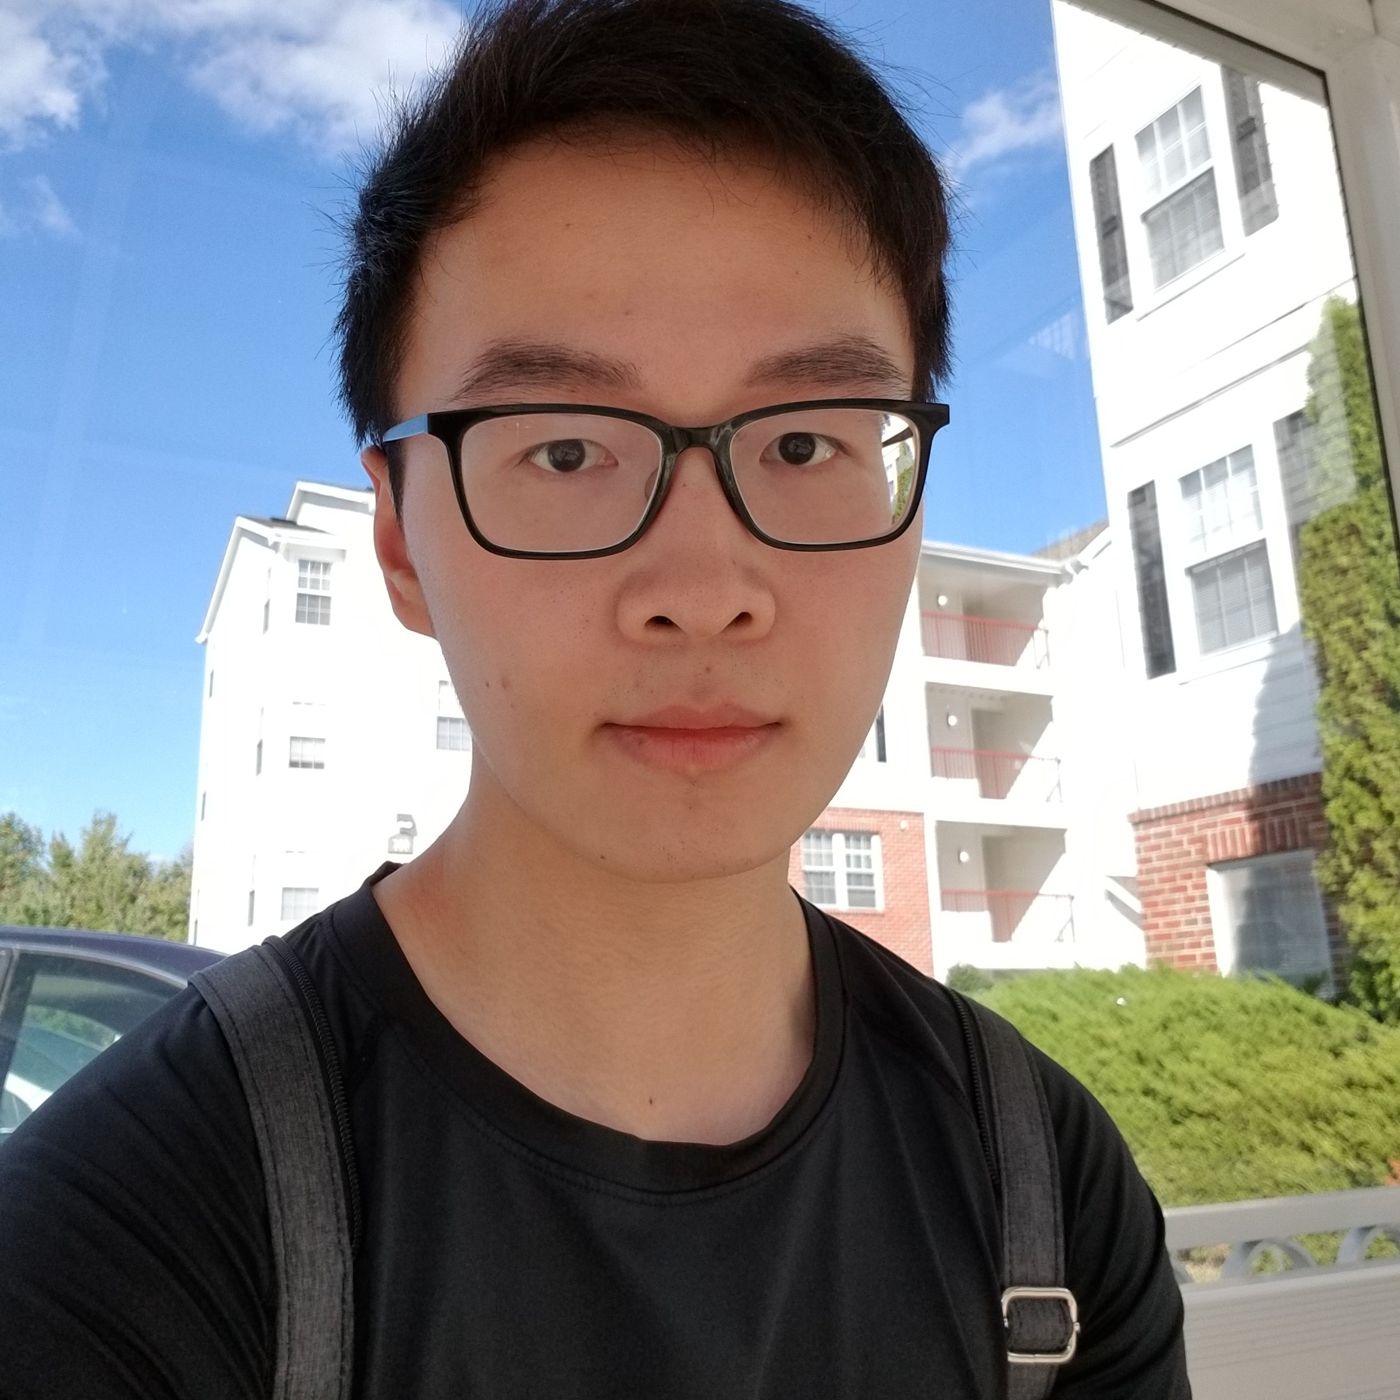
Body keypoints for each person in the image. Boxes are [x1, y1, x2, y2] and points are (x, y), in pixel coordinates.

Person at [0, 0, 1190, 1394]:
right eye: (565, 452)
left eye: (805, 442)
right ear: (400, 544)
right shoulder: (121, 1240)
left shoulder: (1045, 1190)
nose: (704, 586)